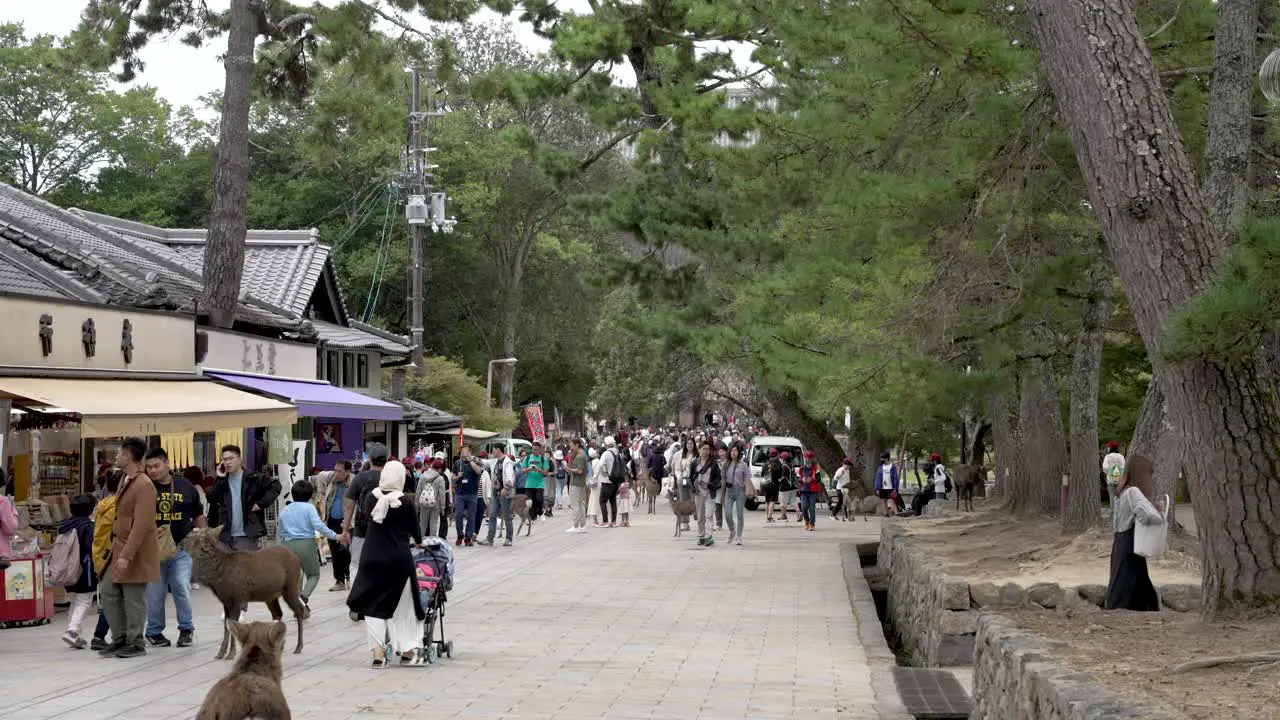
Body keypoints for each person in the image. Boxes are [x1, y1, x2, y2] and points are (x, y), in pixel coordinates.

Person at [345, 461, 426, 666]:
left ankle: (378, 652)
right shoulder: (405, 502)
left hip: (372, 558)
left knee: (372, 606)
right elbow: (415, 531)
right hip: (398, 560)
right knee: (403, 606)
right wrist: (419, 542)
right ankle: (406, 650)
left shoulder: (372, 498)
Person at [98, 437, 160, 659]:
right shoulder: (126, 478)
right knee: (109, 591)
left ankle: (135, 642)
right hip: (118, 547)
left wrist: (127, 554)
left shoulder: (144, 485)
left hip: (135, 551)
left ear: (128, 456)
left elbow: (142, 524)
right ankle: (120, 637)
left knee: (134, 597)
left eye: (119, 452)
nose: (116, 456)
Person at [143, 447, 205, 648]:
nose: (152, 470)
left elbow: (198, 513)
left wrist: (202, 534)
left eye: (156, 466)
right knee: (155, 594)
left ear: (167, 463)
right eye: (149, 467)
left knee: (180, 586)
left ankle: (186, 629)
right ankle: (154, 631)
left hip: (181, 548)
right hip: (152, 551)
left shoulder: (185, 486)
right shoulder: (144, 487)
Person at [1105, 455, 1165, 612]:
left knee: (1135, 579)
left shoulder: (1122, 492)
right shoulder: (1133, 492)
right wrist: (1158, 514)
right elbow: (1148, 515)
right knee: (1123, 582)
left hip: (1120, 541)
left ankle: (1145, 608)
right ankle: (1119, 610)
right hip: (1130, 542)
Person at [277, 480, 338, 613]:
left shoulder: (285, 509)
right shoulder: (309, 507)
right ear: (310, 495)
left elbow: (280, 531)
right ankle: (303, 597)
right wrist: (335, 536)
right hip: (306, 543)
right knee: (313, 575)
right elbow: (319, 526)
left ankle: (300, 610)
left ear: (292, 494)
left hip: (287, 545)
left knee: (296, 577)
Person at [207, 444, 280, 552]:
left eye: (231, 458)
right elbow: (211, 499)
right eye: (224, 459)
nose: (227, 462)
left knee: (245, 568)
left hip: (247, 535)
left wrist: (261, 504)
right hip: (225, 535)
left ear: (240, 459)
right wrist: (220, 479)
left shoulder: (253, 478)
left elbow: (276, 486)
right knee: (226, 568)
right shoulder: (222, 481)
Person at [341, 443, 389, 601]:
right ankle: (380, 597)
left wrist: (345, 529)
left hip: (362, 530)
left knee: (356, 564)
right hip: (385, 531)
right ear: (386, 459)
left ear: (370, 459)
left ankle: (358, 599)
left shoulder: (360, 478)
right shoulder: (391, 477)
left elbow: (349, 505)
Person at [58, 494, 98, 649]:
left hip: (68, 568)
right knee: (84, 599)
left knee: (75, 599)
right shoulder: (88, 526)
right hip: (84, 568)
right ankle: (72, 631)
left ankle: (75, 633)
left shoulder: (65, 525)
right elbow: (91, 547)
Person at [88, 471, 121, 650]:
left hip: (100, 555)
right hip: (113, 556)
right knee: (115, 597)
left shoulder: (101, 506)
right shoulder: (118, 507)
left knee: (109, 596)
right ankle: (102, 634)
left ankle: (100, 635)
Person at [316, 461, 353, 591]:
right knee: (335, 552)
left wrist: (348, 526)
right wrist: (321, 493)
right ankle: (339, 580)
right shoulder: (331, 477)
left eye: (339, 471)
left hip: (347, 523)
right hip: (331, 521)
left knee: (346, 551)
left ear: (347, 472)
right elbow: (319, 476)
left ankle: (349, 576)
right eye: (335, 469)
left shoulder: (353, 482)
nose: (336, 473)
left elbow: (355, 505)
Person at [479, 447, 516, 547]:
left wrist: (505, 488)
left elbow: (509, 478)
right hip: (495, 491)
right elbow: (484, 462)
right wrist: (470, 457)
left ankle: (509, 539)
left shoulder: (507, 462)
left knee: (507, 515)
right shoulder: (494, 461)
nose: (492, 452)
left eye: (493, 450)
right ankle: (489, 539)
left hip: (504, 492)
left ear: (498, 450)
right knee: (492, 514)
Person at [689, 441, 722, 546]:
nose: (705, 451)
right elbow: (690, 478)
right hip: (698, 493)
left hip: (709, 493)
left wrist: (711, 485)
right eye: (703, 449)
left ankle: (709, 537)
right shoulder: (694, 463)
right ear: (699, 450)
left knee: (709, 515)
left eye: (707, 449)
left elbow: (718, 478)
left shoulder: (714, 463)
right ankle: (701, 536)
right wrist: (693, 488)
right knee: (700, 516)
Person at [452, 447, 483, 547]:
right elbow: (452, 478)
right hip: (460, 493)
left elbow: (478, 471)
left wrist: (470, 460)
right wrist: (458, 477)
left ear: (470, 453)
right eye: (462, 452)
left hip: (472, 494)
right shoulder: (457, 463)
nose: (464, 454)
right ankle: (460, 534)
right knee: (458, 515)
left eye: (466, 452)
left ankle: (468, 538)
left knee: (471, 517)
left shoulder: (475, 462)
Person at [722, 444, 750, 545]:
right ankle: (732, 530)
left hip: (740, 491)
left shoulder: (743, 465)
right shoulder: (726, 464)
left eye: (736, 451)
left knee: (740, 515)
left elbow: (747, 478)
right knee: (727, 514)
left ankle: (739, 536)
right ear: (729, 452)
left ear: (738, 453)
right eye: (732, 450)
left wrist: (748, 490)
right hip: (729, 491)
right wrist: (722, 494)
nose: (734, 452)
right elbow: (723, 480)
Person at [521, 442, 553, 521]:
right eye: (533, 449)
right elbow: (523, 471)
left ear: (540, 450)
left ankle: (540, 512)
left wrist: (538, 470)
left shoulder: (543, 459)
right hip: (529, 484)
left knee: (539, 500)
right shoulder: (527, 458)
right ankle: (532, 516)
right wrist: (529, 468)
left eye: (536, 450)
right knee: (530, 502)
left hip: (539, 484)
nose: (535, 451)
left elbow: (546, 472)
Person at [598, 436, 625, 528]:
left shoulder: (606, 453)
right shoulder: (618, 453)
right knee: (613, 501)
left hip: (607, 481)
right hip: (615, 481)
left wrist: (603, 472)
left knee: (602, 501)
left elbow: (600, 465)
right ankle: (613, 521)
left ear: (606, 444)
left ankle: (605, 521)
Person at [417, 459, 447, 539]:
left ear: (432, 466)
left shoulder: (423, 476)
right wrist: (442, 507)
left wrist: (417, 505)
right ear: (440, 469)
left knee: (422, 523)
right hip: (435, 504)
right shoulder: (440, 478)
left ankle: (420, 541)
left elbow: (418, 491)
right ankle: (432, 542)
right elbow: (442, 495)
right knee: (433, 523)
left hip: (423, 503)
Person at [566, 439, 590, 533]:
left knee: (575, 504)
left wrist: (568, 469)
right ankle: (582, 525)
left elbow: (579, 471)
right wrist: (570, 457)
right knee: (580, 504)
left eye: (571, 446)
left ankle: (576, 525)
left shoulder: (580, 456)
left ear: (577, 445)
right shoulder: (581, 454)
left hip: (576, 483)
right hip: (580, 483)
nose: (570, 448)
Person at [795, 451, 822, 531]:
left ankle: (812, 524)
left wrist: (812, 479)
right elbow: (797, 479)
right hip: (803, 490)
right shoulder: (801, 468)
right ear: (804, 458)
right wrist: (802, 479)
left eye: (809, 458)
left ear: (812, 459)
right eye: (806, 457)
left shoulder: (815, 469)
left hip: (812, 491)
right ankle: (807, 521)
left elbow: (818, 479)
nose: (808, 459)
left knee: (811, 508)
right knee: (803, 507)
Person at [762, 449, 785, 522]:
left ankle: (767, 517)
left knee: (767, 501)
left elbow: (762, 474)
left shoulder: (765, 464)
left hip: (766, 484)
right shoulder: (778, 464)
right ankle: (769, 517)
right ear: (776, 455)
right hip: (774, 484)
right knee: (772, 500)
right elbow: (780, 476)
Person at [874, 452, 899, 517]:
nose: (881, 459)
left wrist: (895, 488)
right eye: (881, 458)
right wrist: (877, 488)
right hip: (882, 487)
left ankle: (897, 513)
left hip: (891, 487)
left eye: (883, 458)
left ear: (887, 458)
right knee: (884, 500)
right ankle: (886, 513)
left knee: (892, 500)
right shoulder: (880, 467)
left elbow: (895, 478)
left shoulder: (892, 467)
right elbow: (877, 477)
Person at [714, 444, 729, 531]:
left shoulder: (729, 462)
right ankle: (718, 524)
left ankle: (730, 523)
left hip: (727, 487)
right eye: (720, 452)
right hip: (719, 488)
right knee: (718, 505)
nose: (721, 453)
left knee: (727, 506)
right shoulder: (717, 463)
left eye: (723, 451)